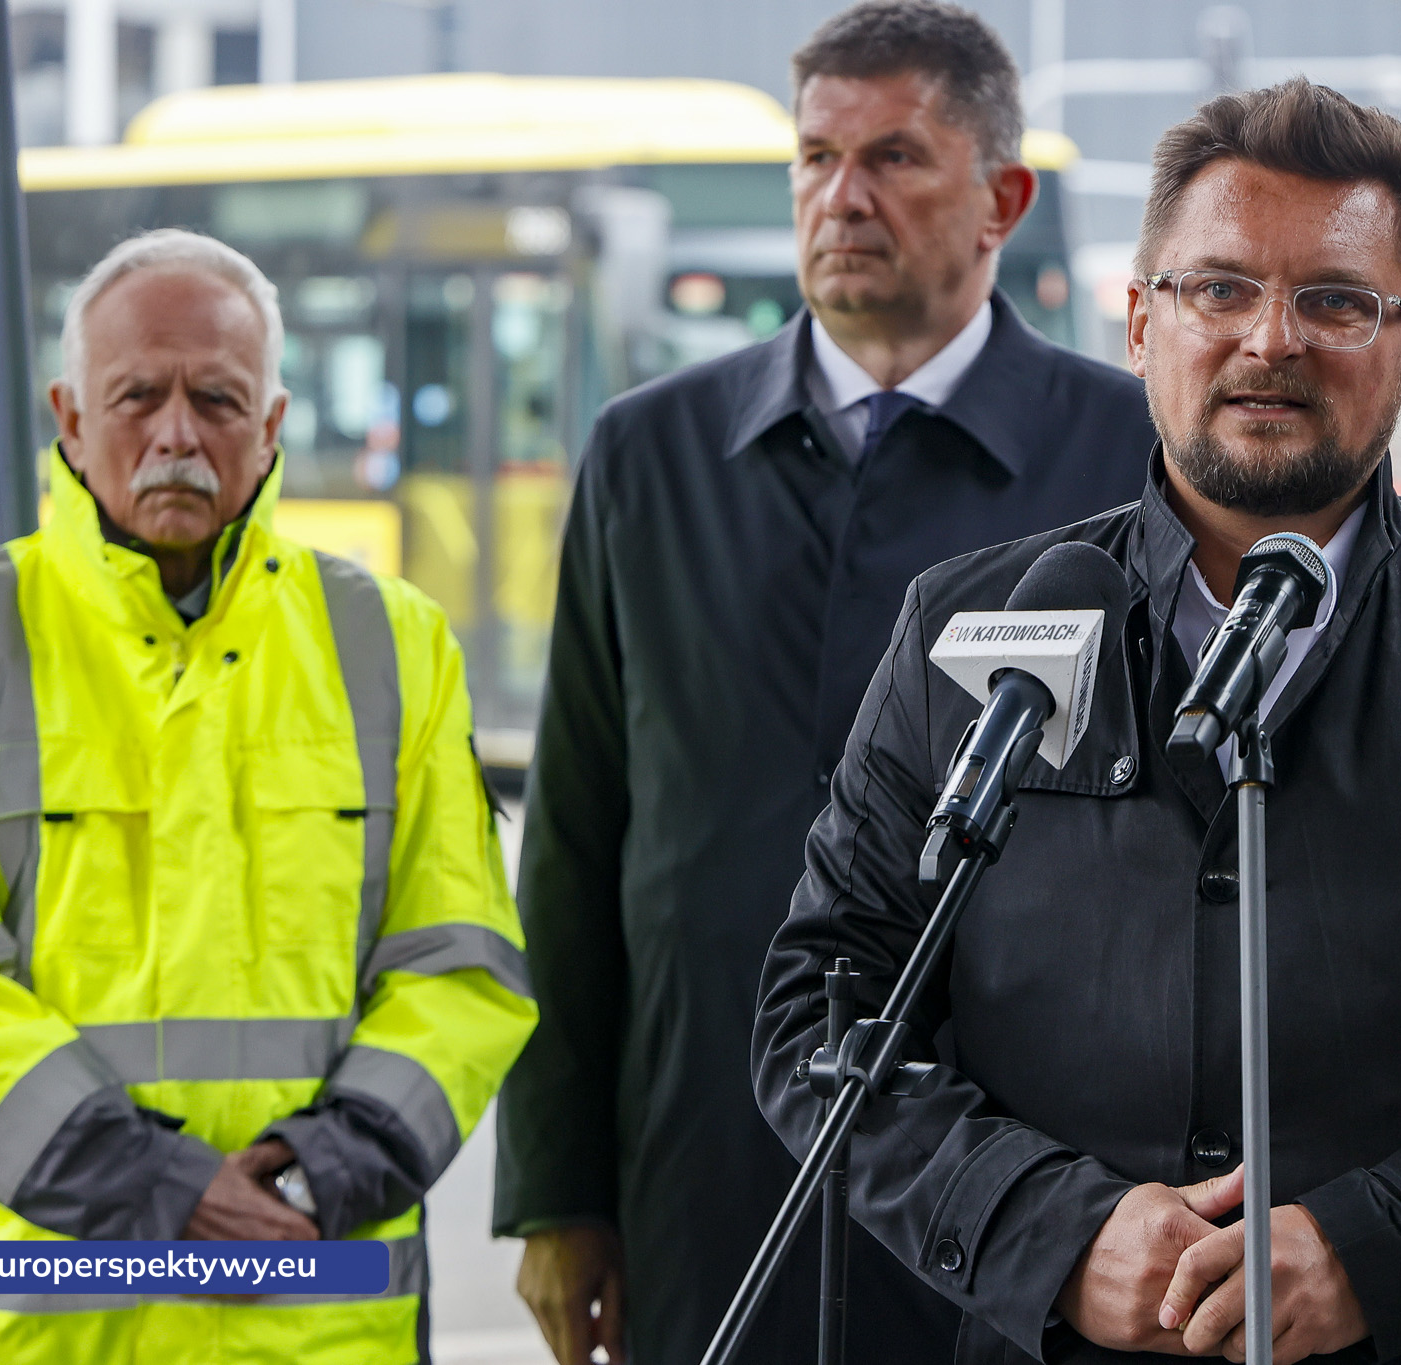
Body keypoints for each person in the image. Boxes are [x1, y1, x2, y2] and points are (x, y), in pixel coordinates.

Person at [753, 79, 1401, 1365]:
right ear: (1137, 325)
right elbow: (818, 1009)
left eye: (1334, 300)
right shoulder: (965, 630)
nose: (1268, 339)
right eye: (1216, 289)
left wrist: (1377, 1245)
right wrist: (1046, 1233)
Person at [492, 3, 1155, 1362]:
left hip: (1034, 1183)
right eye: (815, 159)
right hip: (705, 1168)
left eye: (895, 160)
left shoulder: (1132, 458)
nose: (841, 199)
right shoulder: (648, 457)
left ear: (1002, 199)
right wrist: (556, 1193)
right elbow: (576, 841)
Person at [0, 228, 536, 1364]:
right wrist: (165, 1192)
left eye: (218, 400)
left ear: (273, 423)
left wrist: (327, 1166)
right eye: (137, 396)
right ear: (70, 417)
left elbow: (461, 971)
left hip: (315, 1315)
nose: (176, 434)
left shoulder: (392, 642)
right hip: (34, 1326)